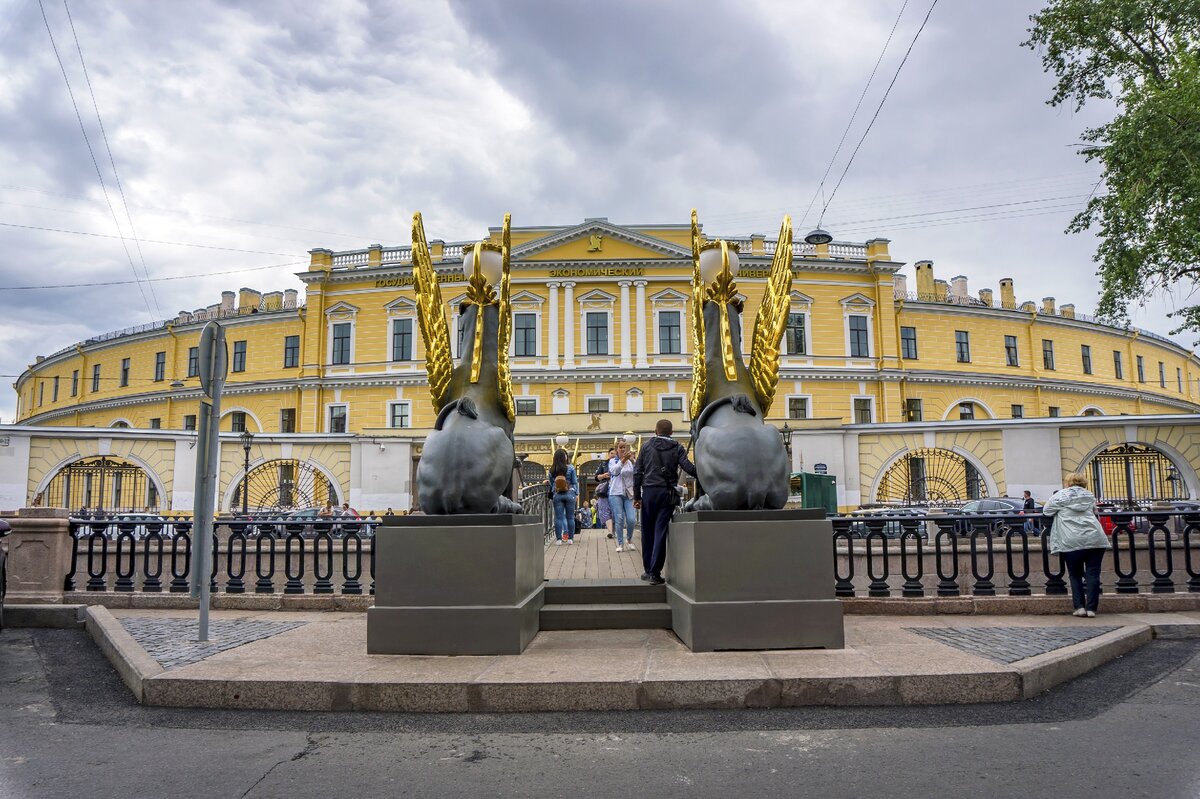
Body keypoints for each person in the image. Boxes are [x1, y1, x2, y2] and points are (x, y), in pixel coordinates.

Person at [633, 419, 696, 585]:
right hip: (667, 493)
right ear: (671, 432)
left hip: (649, 492)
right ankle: (655, 573)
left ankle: (648, 570)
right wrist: (704, 474)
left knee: (647, 532)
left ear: (656, 431)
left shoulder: (646, 447)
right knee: (660, 531)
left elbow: (637, 472)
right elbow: (688, 467)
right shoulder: (677, 447)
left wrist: (636, 496)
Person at [1043, 472, 1110, 618]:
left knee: (1075, 575)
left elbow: (1046, 511)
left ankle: (1079, 607)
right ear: (1084, 483)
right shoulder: (1089, 495)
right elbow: (1094, 511)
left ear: (1068, 483)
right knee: (1093, 574)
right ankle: (1092, 609)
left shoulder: (1061, 496)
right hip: (1095, 538)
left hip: (1071, 540)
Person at [608, 440, 638, 553]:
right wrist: (623, 460)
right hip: (616, 493)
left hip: (629, 493)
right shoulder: (612, 461)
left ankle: (629, 539)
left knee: (631, 519)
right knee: (619, 519)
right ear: (616, 450)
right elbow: (614, 472)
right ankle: (620, 543)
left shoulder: (631, 462)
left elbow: (638, 473)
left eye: (624, 447)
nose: (623, 449)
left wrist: (633, 461)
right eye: (621, 447)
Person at [548, 448, 578, 545]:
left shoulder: (552, 470)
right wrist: (576, 493)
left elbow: (552, 484)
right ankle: (570, 538)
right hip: (570, 493)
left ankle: (558, 539)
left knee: (558, 518)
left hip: (557, 494)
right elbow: (574, 482)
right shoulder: (571, 468)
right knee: (570, 517)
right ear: (564, 457)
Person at [594, 449, 614, 538]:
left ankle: (614, 530)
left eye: (615, 453)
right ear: (608, 454)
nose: (613, 455)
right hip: (605, 490)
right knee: (605, 510)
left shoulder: (621, 462)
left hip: (616, 489)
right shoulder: (604, 464)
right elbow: (597, 477)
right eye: (611, 453)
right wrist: (603, 476)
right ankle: (610, 531)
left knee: (615, 511)